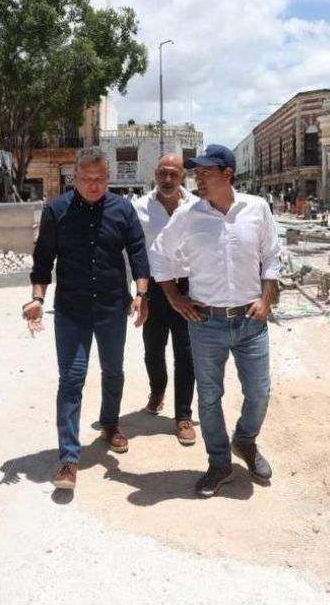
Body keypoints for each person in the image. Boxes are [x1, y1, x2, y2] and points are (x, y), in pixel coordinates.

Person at [149, 144, 281, 498]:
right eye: (197, 173)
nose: (197, 179)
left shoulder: (257, 209)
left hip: (251, 322)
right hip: (206, 322)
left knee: (259, 392)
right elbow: (158, 255)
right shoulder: (189, 215)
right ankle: (219, 461)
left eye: (205, 173)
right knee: (209, 397)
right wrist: (175, 299)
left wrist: (266, 300)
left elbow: (271, 256)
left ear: (227, 174)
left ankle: (245, 441)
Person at [25, 147, 150, 491]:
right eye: (87, 179)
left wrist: (141, 294)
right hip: (72, 311)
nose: (94, 186)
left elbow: (138, 252)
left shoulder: (123, 210)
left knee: (113, 371)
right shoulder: (56, 211)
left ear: (108, 179)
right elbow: (42, 260)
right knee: (72, 379)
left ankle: (110, 425)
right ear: (74, 178)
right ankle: (68, 458)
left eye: (100, 179)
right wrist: (37, 298)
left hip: (112, 309)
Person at [133, 154, 198, 446]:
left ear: (183, 175)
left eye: (174, 173)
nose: (168, 179)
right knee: (153, 349)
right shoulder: (140, 209)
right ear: (155, 174)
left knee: (186, 353)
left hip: (188, 289)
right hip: (155, 290)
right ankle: (157, 390)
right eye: (163, 173)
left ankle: (182, 415)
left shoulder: (198, 207)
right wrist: (138, 293)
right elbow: (132, 253)